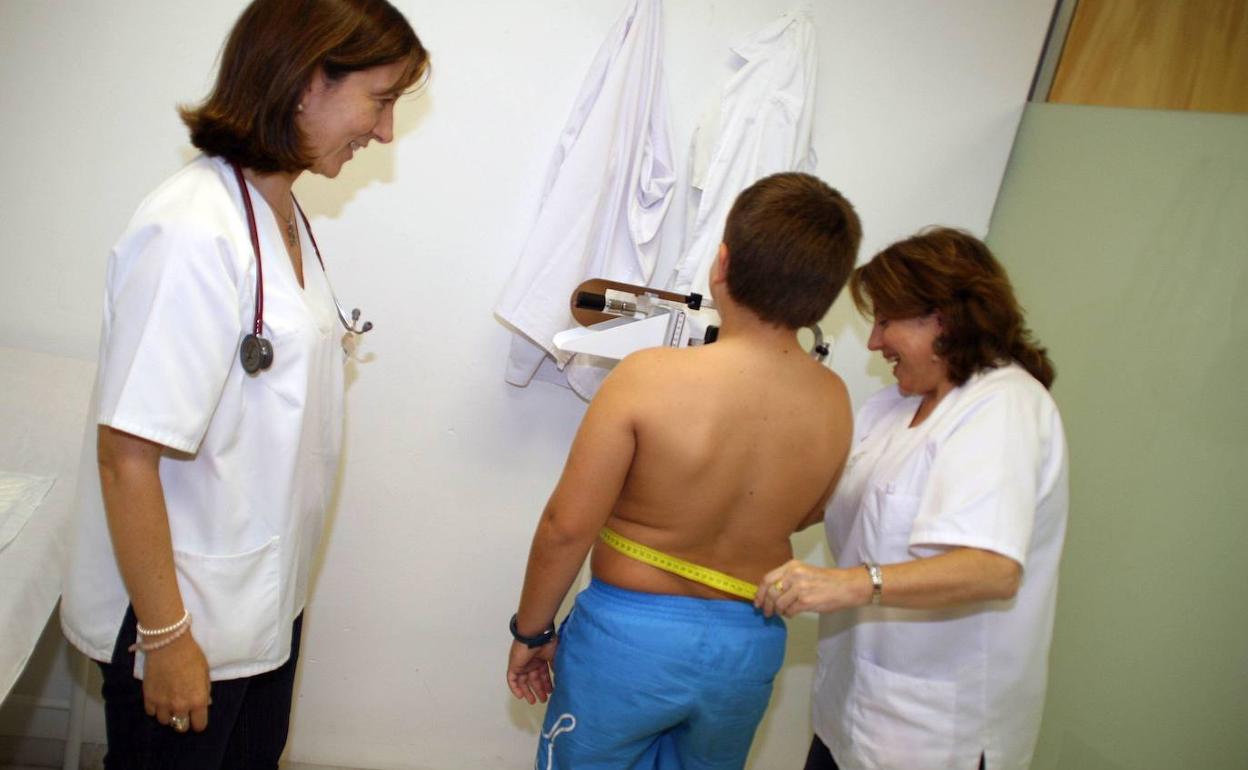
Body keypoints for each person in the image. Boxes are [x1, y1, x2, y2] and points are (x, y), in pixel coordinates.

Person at [59, 1, 428, 766]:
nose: (385, 132)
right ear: (305, 81)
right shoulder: (192, 230)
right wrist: (166, 638)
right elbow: (127, 453)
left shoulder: (277, 210)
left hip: (259, 608)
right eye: (382, 99)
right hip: (182, 617)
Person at [505, 172, 862, 770]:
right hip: (746, 649)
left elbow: (566, 525)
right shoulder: (835, 401)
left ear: (720, 265)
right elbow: (809, 514)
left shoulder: (649, 376)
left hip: (628, 639)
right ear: (827, 296)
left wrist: (532, 633)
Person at [756, 228, 1069, 770]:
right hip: (849, 715)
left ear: (943, 319)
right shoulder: (892, 408)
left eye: (885, 322)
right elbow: (820, 502)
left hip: (934, 735)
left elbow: (992, 569)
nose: (875, 343)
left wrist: (849, 583)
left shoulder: (1004, 407)